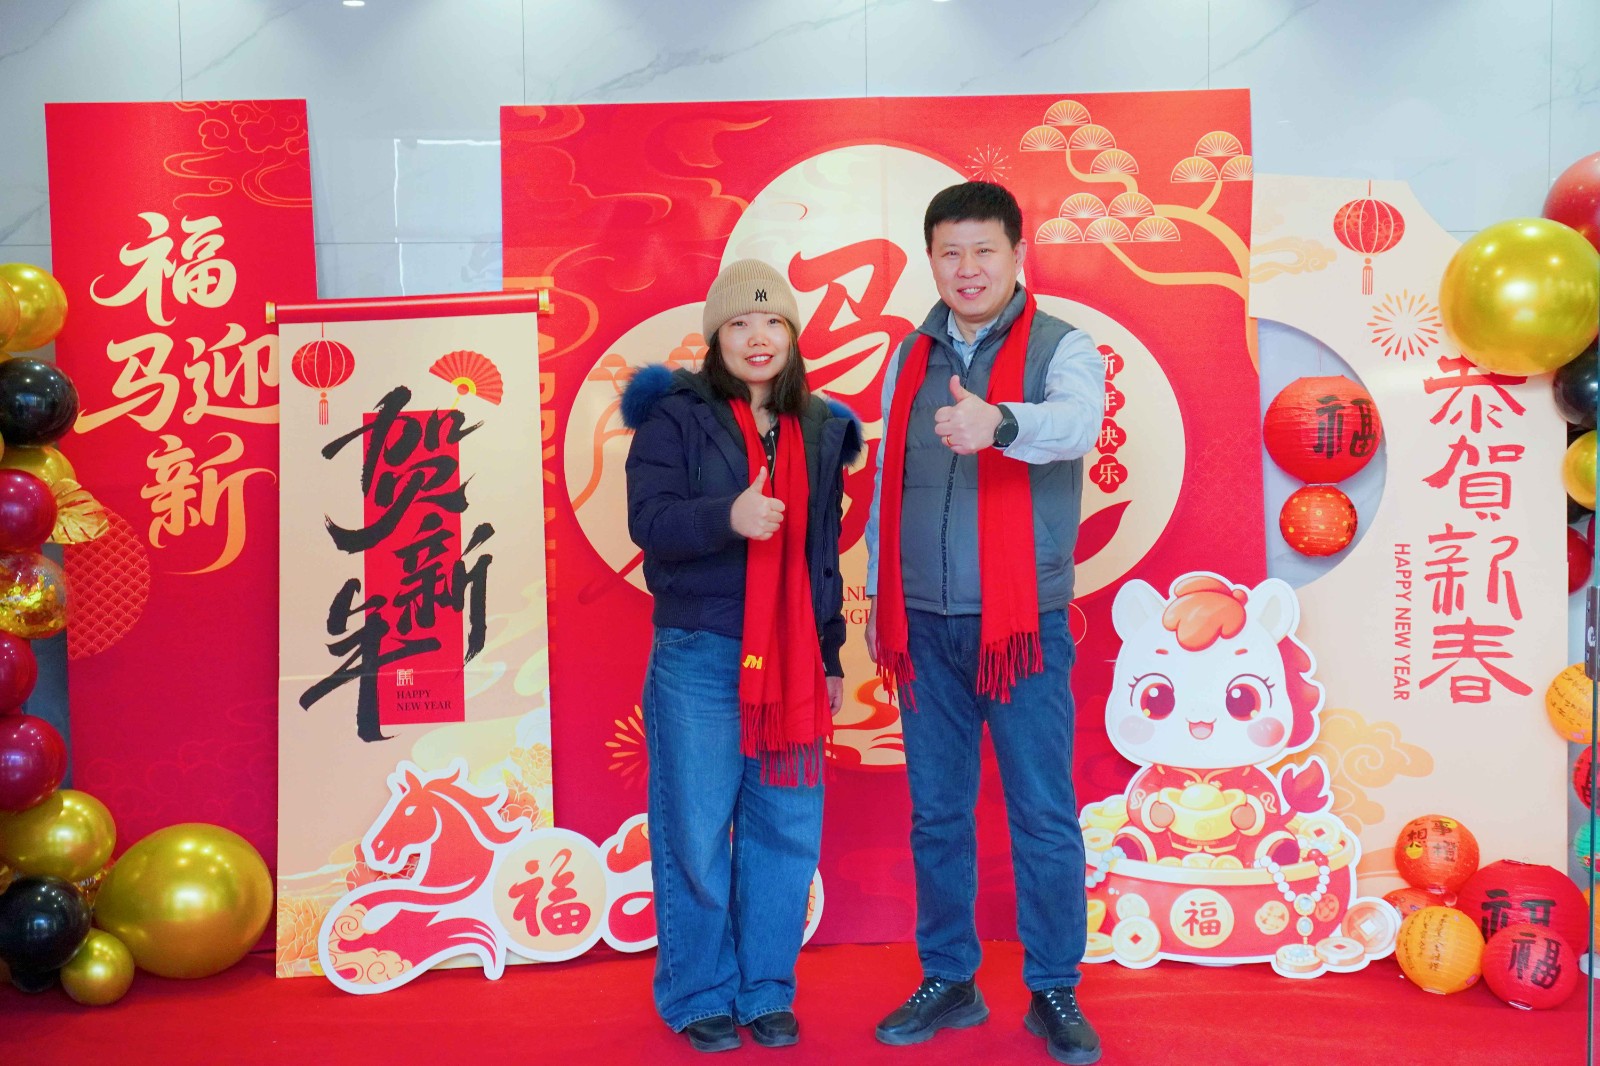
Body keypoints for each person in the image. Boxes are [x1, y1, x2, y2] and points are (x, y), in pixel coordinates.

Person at [864, 182, 1106, 1065]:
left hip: (1021, 628)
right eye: (950, 253)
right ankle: (950, 978)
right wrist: (876, 596)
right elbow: (888, 481)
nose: (967, 269)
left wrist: (997, 422)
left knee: (1043, 814)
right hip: (923, 626)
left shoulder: (1063, 345)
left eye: (984, 250)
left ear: (1017, 255)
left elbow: (1077, 425)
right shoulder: (909, 354)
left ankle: (1053, 987)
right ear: (932, 260)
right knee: (937, 815)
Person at [623, 258, 860, 1053]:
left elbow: (821, 553)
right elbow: (650, 523)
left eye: (772, 322)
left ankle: (765, 989)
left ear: (791, 334)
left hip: (794, 656)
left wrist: (830, 655)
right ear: (715, 336)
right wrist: (729, 515)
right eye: (739, 323)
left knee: (786, 826)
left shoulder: (818, 426)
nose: (758, 338)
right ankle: (698, 992)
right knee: (695, 831)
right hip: (701, 651)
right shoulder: (675, 415)